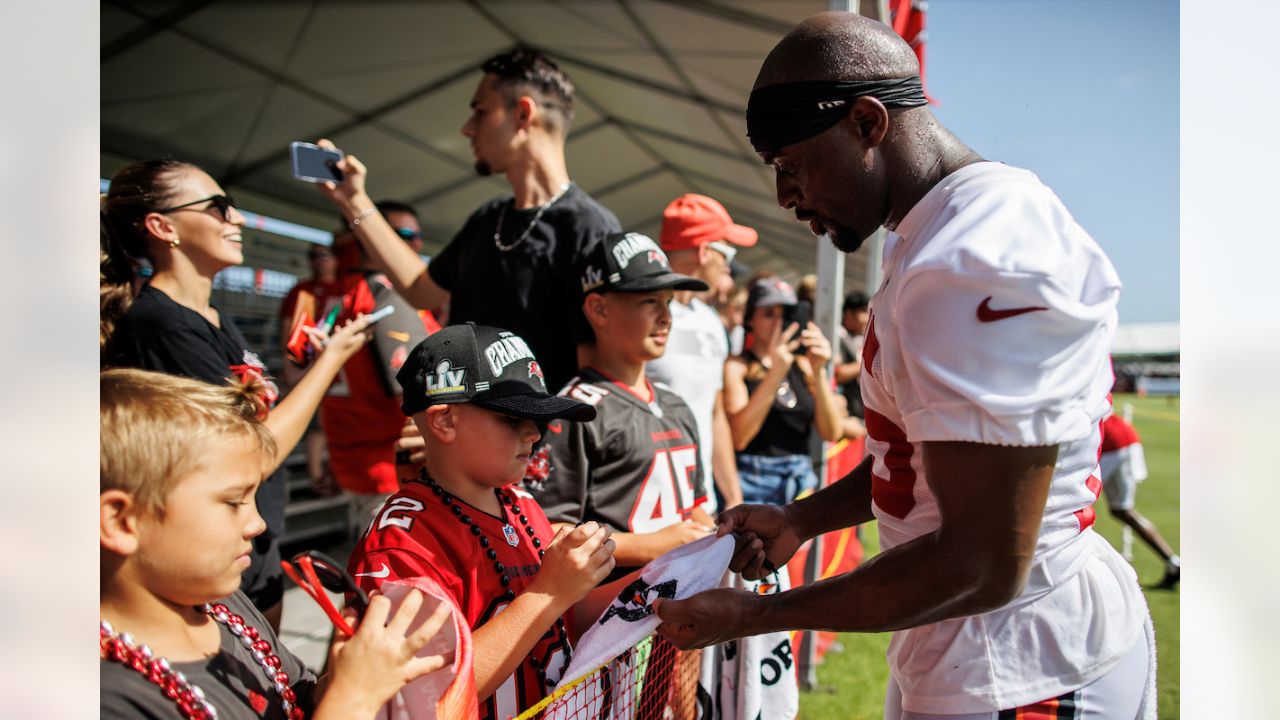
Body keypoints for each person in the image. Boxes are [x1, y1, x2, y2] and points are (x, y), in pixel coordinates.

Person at [655, 13, 1153, 720]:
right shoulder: (937, 231)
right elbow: (923, 459)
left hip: (1021, 664)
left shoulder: (972, 256)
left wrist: (752, 616)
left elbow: (980, 562)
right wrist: (803, 518)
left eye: (792, 166)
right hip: (978, 647)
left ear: (866, 123)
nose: (784, 197)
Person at [100, 159, 374, 628]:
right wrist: (331, 362)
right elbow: (252, 454)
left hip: (251, 541)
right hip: (203, 555)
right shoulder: (161, 324)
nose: (238, 218)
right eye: (219, 207)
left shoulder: (213, 319)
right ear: (163, 227)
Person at [101, 368, 451, 720]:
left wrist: (355, 672)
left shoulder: (226, 606)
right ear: (120, 520)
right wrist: (353, 697)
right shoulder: (107, 698)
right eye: (233, 502)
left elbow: (298, 699)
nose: (257, 523)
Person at [347, 324, 616, 720]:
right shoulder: (402, 541)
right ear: (445, 422)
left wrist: (666, 589)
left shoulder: (520, 502)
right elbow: (424, 699)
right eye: (512, 418)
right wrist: (548, 594)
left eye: (537, 416)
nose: (534, 433)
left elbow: (566, 618)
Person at [317, 47, 621, 393]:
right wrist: (353, 201)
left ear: (522, 114)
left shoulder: (588, 228)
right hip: (464, 436)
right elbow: (420, 289)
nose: (467, 129)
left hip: (535, 443)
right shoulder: (487, 219)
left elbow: (595, 376)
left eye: (480, 112)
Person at [279, 205, 441, 537]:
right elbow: (419, 393)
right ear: (367, 233)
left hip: (356, 463)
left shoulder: (329, 295)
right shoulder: (384, 294)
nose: (416, 246)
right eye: (405, 236)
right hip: (395, 473)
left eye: (418, 237)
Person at [648, 193, 758, 512]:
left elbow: (714, 413)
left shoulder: (709, 321)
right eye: (727, 253)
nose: (728, 266)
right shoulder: (641, 317)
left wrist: (733, 495)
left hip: (700, 504)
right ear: (704, 250)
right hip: (647, 508)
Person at [724, 276, 842, 505]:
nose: (779, 323)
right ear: (750, 320)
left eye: (786, 314)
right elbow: (739, 438)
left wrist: (819, 371)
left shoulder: (803, 365)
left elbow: (832, 432)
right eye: (769, 314)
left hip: (799, 480)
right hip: (754, 483)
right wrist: (776, 371)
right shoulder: (737, 366)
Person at [279, 243, 341, 496]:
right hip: (311, 367)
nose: (319, 260)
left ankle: (334, 476)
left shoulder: (346, 287)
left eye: (325, 255)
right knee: (318, 427)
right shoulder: (301, 291)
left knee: (336, 425)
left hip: (342, 367)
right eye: (314, 256)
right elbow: (289, 331)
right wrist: (291, 367)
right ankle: (318, 479)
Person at [1100, 408, 1180, 589]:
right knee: (1121, 510)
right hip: (1120, 438)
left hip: (1112, 442)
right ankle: (1173, 563)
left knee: (1074, 503)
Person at [834, 290, 870, 440]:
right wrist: (867, 362)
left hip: (861, 415)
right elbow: (838, 374)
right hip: (847, 415)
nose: (866, 318)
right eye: (863, 312)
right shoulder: (838, 337)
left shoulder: (861, 336)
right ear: (848, 313)